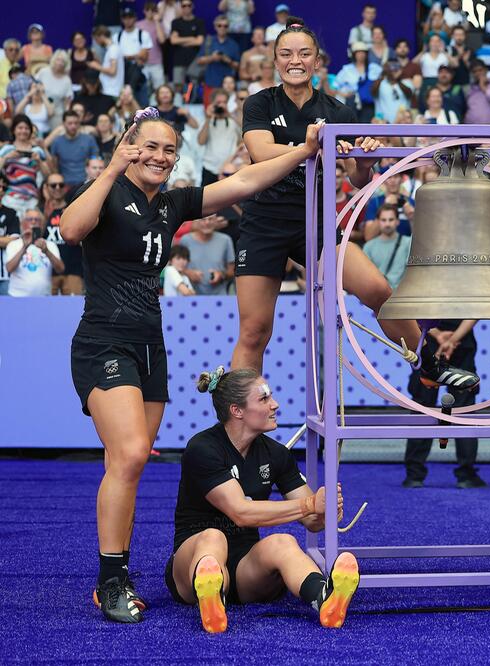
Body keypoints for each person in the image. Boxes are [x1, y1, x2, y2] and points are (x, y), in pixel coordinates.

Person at [59, 105, 329, 623]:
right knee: (134, 453)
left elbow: (246, 180)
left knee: (126, 467)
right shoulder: (110, 190)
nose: (160, 157)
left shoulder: (172, 203)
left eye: (168, 150)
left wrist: (304, 151)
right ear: (130, 146)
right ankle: (113, 579)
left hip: (149, 348)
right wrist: (112, 168)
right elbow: (71, 230)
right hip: (103, 343)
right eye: (149, 147)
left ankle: (115, 573)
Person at [231, 18, 478, 392]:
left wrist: (364, 161)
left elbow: (357, 180)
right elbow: (260, 152)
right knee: (254, 330)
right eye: (286, 54)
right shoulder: (260, 104)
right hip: (263, 223)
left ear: (317, 61)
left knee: (378, 290)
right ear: (275, 61)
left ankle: (429, 365)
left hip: (317, 221)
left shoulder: (339, 111)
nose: (295, 60)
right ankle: (237, 417)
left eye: (304, 53)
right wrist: (311, 147)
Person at [166, 367, 357, 632]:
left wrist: (326, 511)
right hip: (191, 564)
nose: (275, 404)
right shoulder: (202, 448)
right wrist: (310, 504)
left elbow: (312, 521)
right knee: (213, 537)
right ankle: (210, 594)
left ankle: (325, 598)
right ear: (237, 411)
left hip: (246, 568)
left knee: (283, 541)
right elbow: (241, 513)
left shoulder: (276, 454)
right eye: (264, 399)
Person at [403, 319, 484, 489]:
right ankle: (466, 475)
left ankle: (414, 474)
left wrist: (438, 335)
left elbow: (413, 311)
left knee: (422, 407)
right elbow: (475, 311)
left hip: (425, 338)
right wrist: (452, 339)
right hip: (459, 338)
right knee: (464, 410)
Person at [4, 209, 64, 296]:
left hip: (43, 297)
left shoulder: (49, 245)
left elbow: (61, 269)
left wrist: (46, 251)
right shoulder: (14, 244)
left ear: (42, 224)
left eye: (37, 219)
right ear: (22, 223)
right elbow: (9, 268)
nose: (33, 222)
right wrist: (24, 247)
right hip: (17, 297)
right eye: (30, 219)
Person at [180, 214, 236, 295]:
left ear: (216, 220)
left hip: (219, 299)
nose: (207, 222)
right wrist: (188, 273)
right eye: (203, 219)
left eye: (210, 219)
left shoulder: (225, 240)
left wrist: (221, 275)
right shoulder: (185, 240)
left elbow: (233, 270)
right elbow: (174, 267)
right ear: (196, 221)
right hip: (191, 297)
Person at [363, 203, 410, 289]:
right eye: (383, 220)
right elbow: (365, 277)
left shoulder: (409, 242)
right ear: (378, 222)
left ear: (397, 221)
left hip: (403, 295)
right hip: (378, 296)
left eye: (391, 219)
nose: (387, 224)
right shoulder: (369, 247)